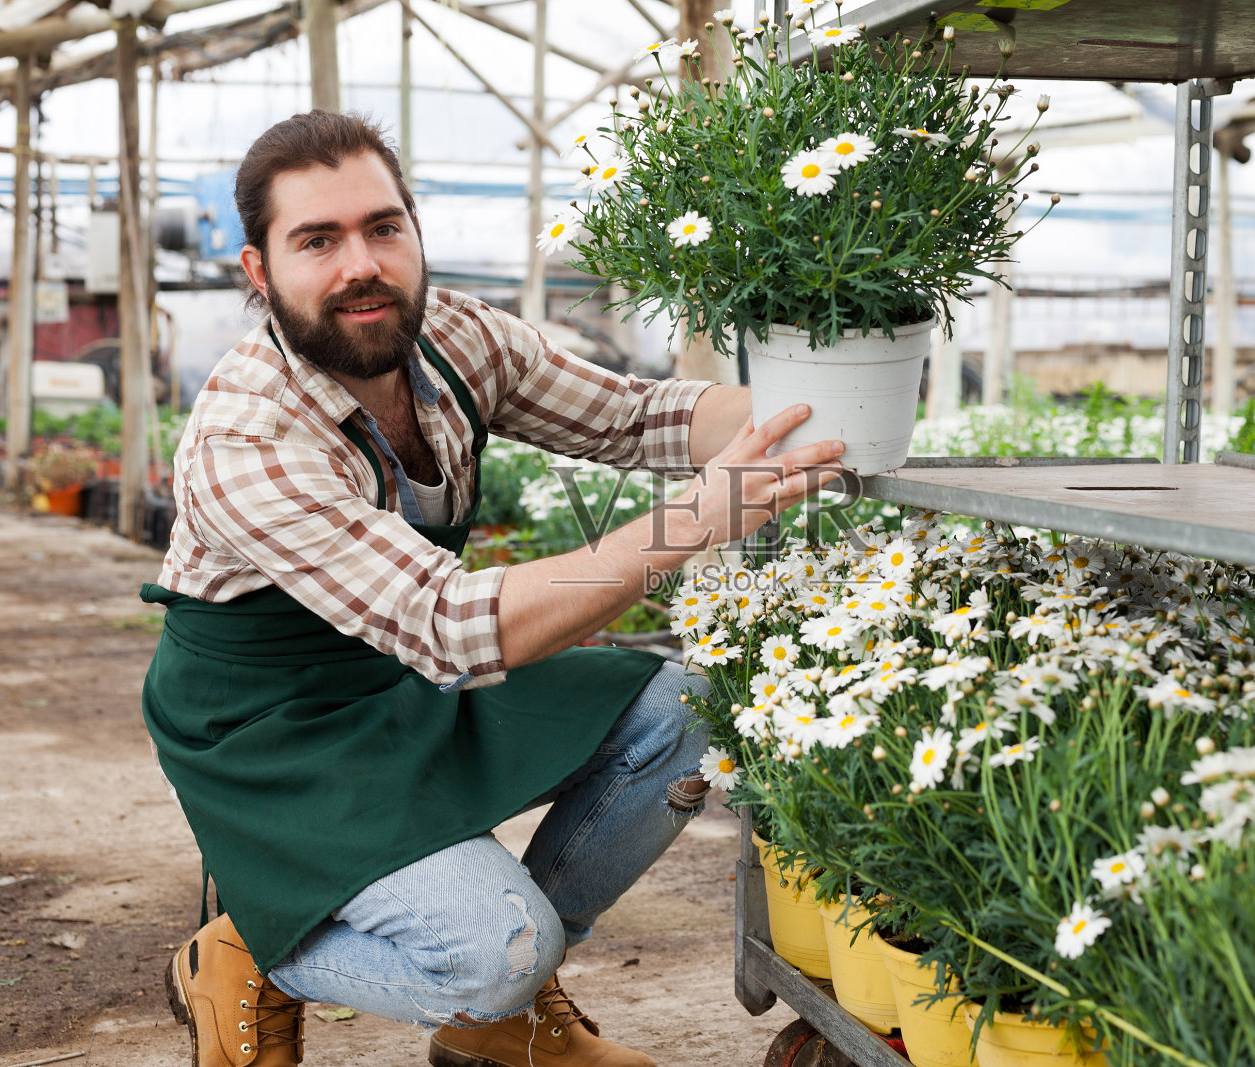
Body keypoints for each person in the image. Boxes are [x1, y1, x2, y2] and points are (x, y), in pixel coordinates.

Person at [141, 109, 844, 1067]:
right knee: (498, 945)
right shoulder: (246, 436)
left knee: (689, 705)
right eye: (317, 240)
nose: (362, 265)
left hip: (400, 680)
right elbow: (452, 624)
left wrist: (831, 406)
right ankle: (255, 944)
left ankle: (502, 1017)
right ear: (259, 272)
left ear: (414, 231)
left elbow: (638, 420)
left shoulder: (453, 338)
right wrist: (695, 519)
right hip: (274, 728)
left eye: (383, 227)